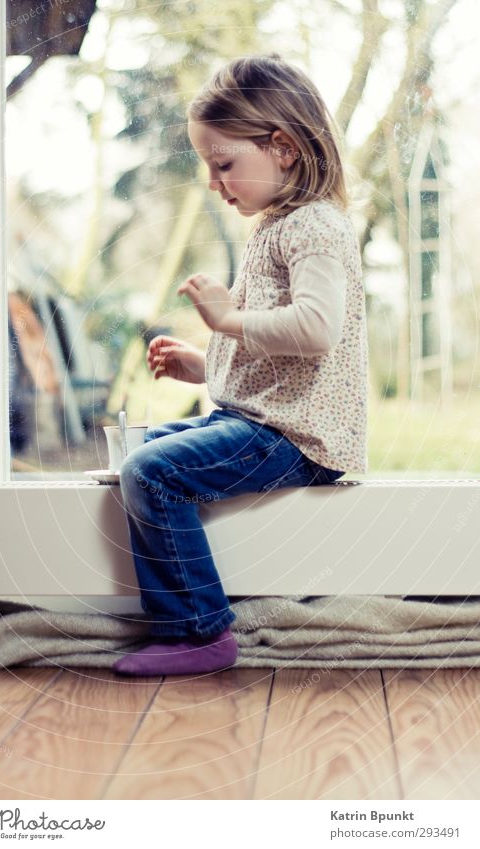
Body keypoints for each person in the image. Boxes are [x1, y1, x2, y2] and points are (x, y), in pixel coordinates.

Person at [113, 53, 368, 678]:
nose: (212, 181)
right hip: (266, 419)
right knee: (138, 452)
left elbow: (316, 330)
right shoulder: (279, 226)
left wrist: (226, 321)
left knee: (151, 473)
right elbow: (274, 350)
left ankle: (200, 632)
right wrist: (206, 363)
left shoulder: (316, 228)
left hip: (296, 437)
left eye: (223, 163)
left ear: (282, 148)